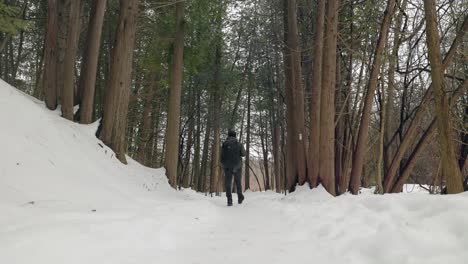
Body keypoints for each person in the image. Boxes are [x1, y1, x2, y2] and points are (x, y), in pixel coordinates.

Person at [221, 130, 246, 206]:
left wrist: (223, 164)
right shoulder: (239, 144)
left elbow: (221, 156)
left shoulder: (224, 144)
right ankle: (239, 198)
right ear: (235, 136)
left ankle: (229, 200)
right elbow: (243, 154)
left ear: (228, 136)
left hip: (227, 166)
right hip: (237, 166)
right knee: (238, 182)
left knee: (228, 183)